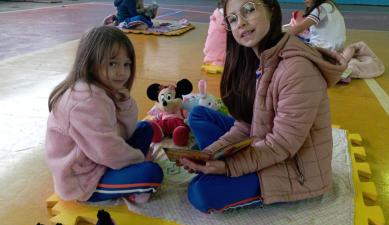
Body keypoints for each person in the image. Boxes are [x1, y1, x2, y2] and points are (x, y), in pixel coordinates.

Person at [179, 0, 347, 213]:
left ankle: (230, 168)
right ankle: (213, 161)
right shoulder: (252, 58)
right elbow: (245, 125)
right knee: (199, 115)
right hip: (263, 141)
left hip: (293, 167)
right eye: (232, 19)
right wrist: (210, 155)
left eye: (248, 9)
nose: (240, 23)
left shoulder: (298, 69)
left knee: (201, 192)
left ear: (271, 10)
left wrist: (228, 166)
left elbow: (282, 144)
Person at [46, 26, 163, 203]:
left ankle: (130, 178)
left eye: (126, 64)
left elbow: (126, 132)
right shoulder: (85, 101)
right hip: (84, 181)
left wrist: (124, 103)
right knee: (152, 173)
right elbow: (106, 150)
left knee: (146, 127)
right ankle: (132, 185)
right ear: (90, 64)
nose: (122, 72)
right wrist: (140, 159)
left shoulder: (101, 89)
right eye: (112, 63)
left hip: (100, 160)